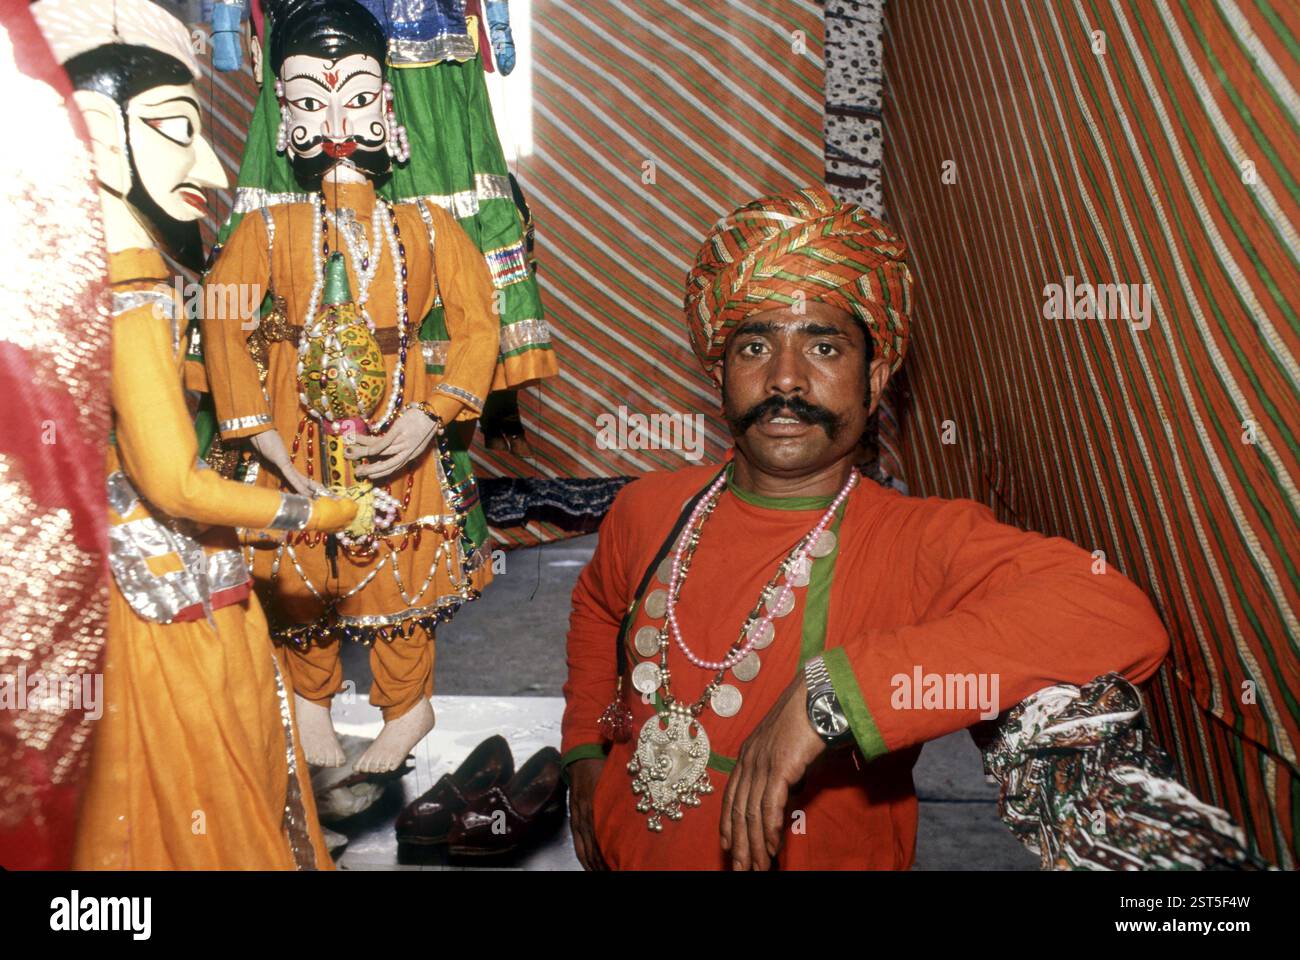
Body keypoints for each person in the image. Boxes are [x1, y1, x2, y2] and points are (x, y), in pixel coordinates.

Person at [561, 186, 1171, 870]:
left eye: (823, 348)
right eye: (755, 345)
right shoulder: (649, 508)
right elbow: (597, 609)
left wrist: (833, 695)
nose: (785, 379)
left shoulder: (917, 540)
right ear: (719, 372)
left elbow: (1118, 618)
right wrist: (585, 746)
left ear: (875, 377)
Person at [32, 0, 359, 869]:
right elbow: (174, 483)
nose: (211, 168)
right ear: (98, 135)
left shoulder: (59, 268)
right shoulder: (128, 279)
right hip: (155, 615)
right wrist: (319, 514)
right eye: (177, 130)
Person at [202, 0, 500, 774]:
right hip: (293, 436)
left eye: (358, 97)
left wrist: (434, 415)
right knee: (304, 572)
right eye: (309, 98)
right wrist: (263, 440)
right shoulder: (265, 231)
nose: (335, 116)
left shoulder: (432, 225)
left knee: (401, 567)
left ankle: (410, 709)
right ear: (284, 119)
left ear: (390, 112)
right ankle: (309, 710)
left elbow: (478, 327)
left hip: (400, 430)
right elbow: (221, 322)